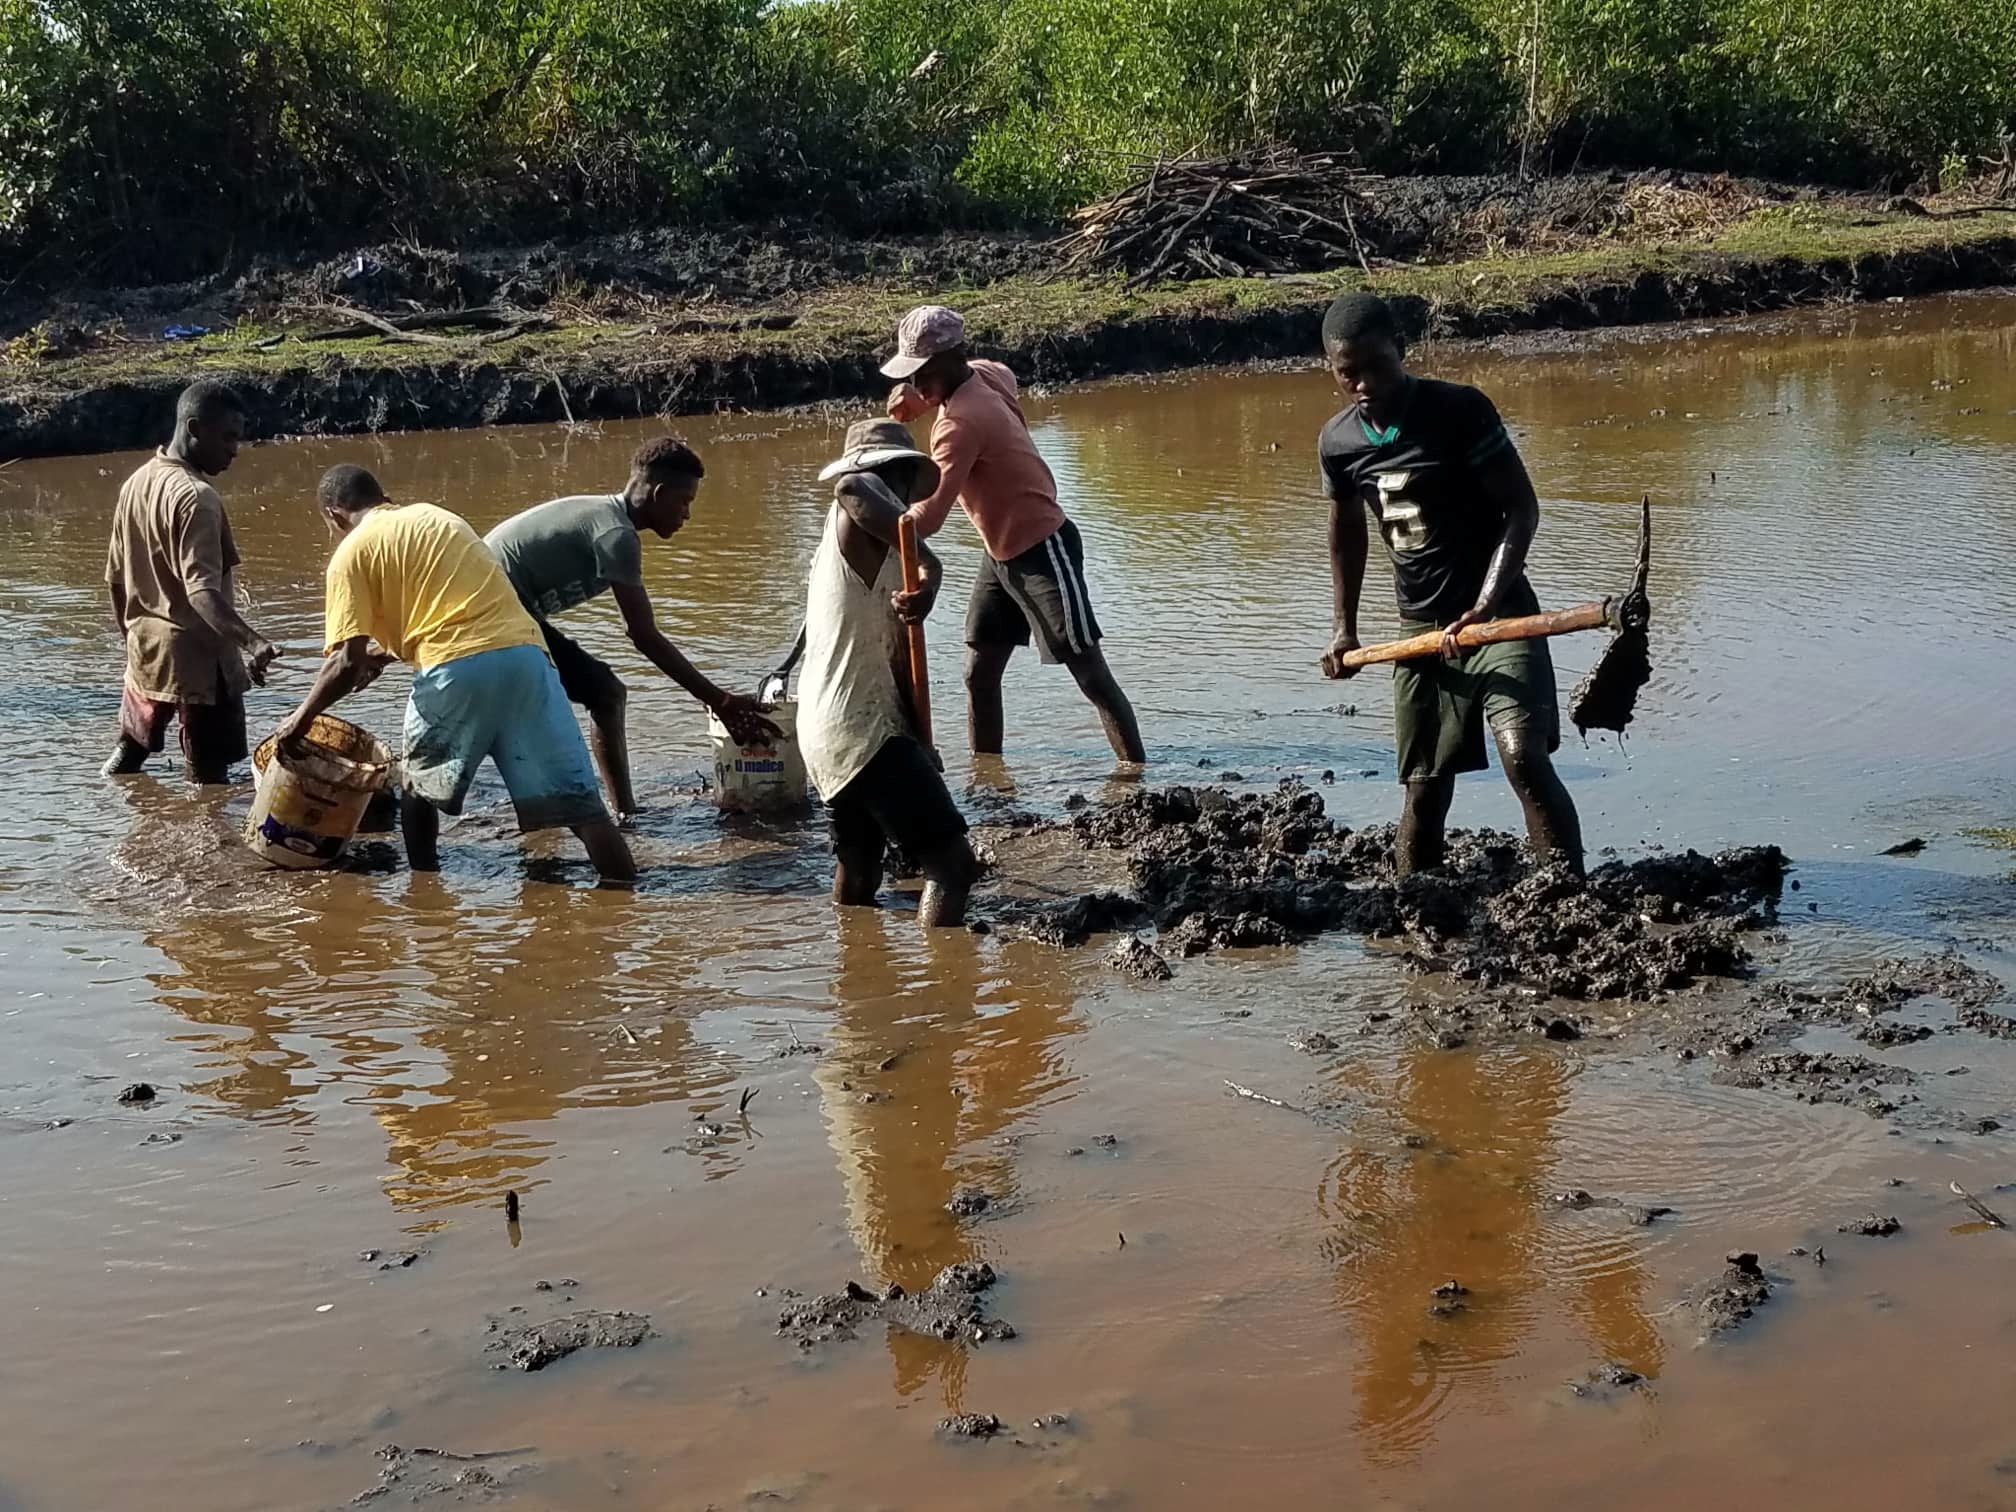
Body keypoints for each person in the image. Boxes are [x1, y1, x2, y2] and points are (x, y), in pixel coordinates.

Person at [1315, 292, 1583, 876]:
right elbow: (1347, 535)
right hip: (1421, 630)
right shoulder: (1338, 443)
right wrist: (1344, 631)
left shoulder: (1458, 411)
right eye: (1347, 373)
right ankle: (1413, 903)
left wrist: (1485, 607)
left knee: (1524, 760)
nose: (1363, 384)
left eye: (1376, 366)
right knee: (1424, 788)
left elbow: (1522, 509)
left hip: (1499, 616)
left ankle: (1567, 896)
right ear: (1332, 371)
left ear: (1402, 351)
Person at [274, 465, 635, 884]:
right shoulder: (437, 518)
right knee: (583, 809)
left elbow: (345, 662)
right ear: (382, 497)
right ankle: (625, 898)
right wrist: (385, 652)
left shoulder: (351, 552)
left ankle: (425, 894)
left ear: (334, 516)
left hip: (454, 669)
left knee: (416, 788)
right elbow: (455, 611)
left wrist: (298, 719)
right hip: (528, 658)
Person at [882, 305, 1146, 765]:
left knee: (1090, 674)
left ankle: (1135, 775)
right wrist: (923, 399)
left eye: (921, 373)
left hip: (1044, 549)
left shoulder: (956, 426)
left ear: (949, 359)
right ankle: (989, 779)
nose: (914, 384)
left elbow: (932, 515)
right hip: (1000, 552)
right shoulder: (988, 373)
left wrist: (874, 520)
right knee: (979, 672)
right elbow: (987, 387)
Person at [484, 438, 777, 820]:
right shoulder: (615, 534)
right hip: (494, 609)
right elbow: (642, 635)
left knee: (588, 695)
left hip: (506, 610)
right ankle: (620, 813)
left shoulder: (609, 520)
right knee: (604, 694)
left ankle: (595, 811)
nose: (687, 514)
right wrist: (717, 700)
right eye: (684, 501)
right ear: (657, 493)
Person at [792, 418, 979, 926]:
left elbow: (897, 657)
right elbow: (853, 486)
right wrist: (931, 565)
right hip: (860, 728)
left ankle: (859, 984)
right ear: (895, 476)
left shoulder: (884, 556)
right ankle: (943, 993)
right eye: (900, 486)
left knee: (860, 872)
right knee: (954, 866)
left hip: (835, 731)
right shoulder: (856, 502)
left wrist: (921, 741)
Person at [102, 380, 279, 783]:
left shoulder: (136, 482)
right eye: (229, 437)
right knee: (209, 781)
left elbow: (114, 576)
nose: (235, 450)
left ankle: (116, 810)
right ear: (195, 428)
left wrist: (127, 634)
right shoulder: (197, 497)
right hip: (199, 660)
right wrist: (253, 642)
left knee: (130, 751)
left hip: (146, 651)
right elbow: (202, 592)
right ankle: (207, 844)